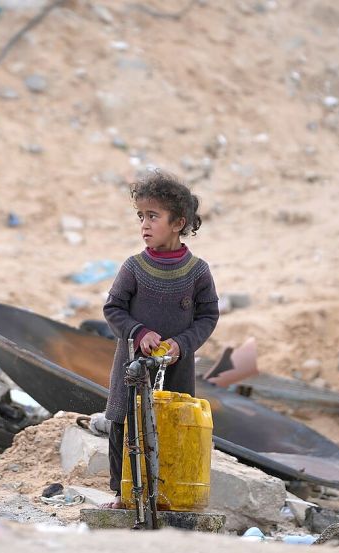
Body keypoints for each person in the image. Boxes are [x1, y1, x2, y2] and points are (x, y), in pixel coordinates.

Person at [101, 171, 219, 507]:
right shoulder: (134, 267)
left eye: (153, 216)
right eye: (141, 216)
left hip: (175, 367)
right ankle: (121, 493)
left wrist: (182, 343)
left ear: (179, 223)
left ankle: (164, 495)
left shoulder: (197, 272)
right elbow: (113, 308)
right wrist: (138, 332)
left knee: (171, 427)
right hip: (132, 367)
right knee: (124, 424)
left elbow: (208, 316)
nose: (144, 225)